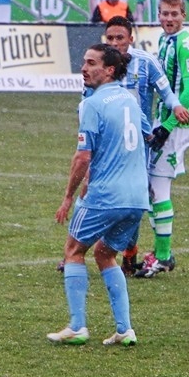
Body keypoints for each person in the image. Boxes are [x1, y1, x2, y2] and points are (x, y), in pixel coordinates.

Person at [47, 44, 149, 347]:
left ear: (109, 70)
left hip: (106, 195)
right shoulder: (130, 99)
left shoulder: (93, 104)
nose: (84, 67)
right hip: (137, 197)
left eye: (92, 63)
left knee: (73, 250)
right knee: (105, 254)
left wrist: (68, 197)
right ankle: (124, 329)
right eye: (83, 61)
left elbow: (82, 157)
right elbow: (145, 134)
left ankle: (78, 326)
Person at [101, 16, 189, 275]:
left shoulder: (146, 62)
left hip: (137, 143)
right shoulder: (99, 62)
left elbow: (166, 92)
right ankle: (75, 251)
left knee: (135, 198)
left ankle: (128, 254)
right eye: (111, 38)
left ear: (131, 38)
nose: (115, 43)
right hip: (107, 141)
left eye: (120, 38)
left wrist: (177, 106)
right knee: (96, 191)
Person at [135, 0, 189, 278]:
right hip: (164, 121)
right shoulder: (164, 41)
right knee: (151, 188)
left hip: (177, 126)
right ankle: (162, 252)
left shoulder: (185, 44)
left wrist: (168, 126)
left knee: (158, 187)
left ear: (183, 16)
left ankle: (162, 257)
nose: (169, 19)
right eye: (164, 14)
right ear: (159, 15)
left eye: (174, 14)